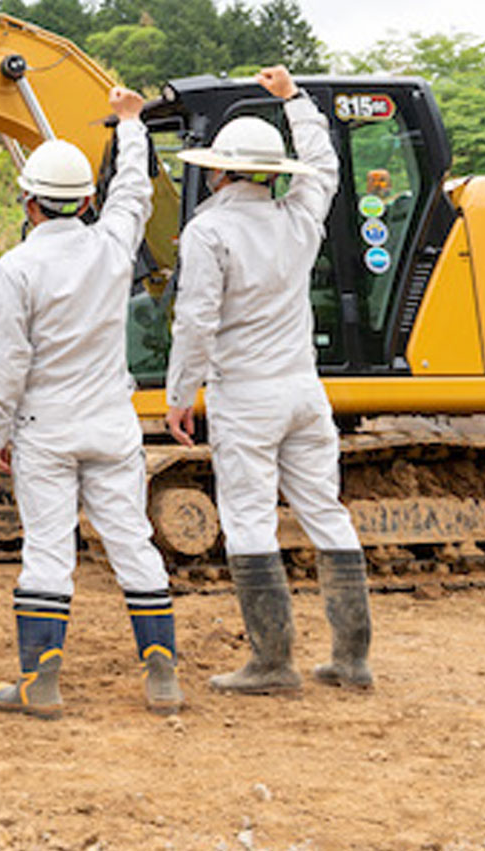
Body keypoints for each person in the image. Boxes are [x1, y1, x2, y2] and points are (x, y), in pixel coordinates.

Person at [166, 66, 373, 696]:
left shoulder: (209, 231)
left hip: (247, 396)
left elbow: (196, 319)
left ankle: (272, 662)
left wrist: (180, 395)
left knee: (250, 518)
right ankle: (351, 660)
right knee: (326, 512)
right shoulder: (299, 217)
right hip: (304, 393)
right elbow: (325, 165)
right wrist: (298, 103)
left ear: (218, 170)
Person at [0, 86, 183, 719]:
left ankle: (40, 683)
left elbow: (9, 360)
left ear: (28, 200)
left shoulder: (15, 269)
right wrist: (129, 124)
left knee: (47, 550)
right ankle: (163, 678)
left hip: (46, 426)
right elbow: (135, 191)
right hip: (111, 421)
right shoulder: (110, 245)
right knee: (131, 540)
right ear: (86, 200)